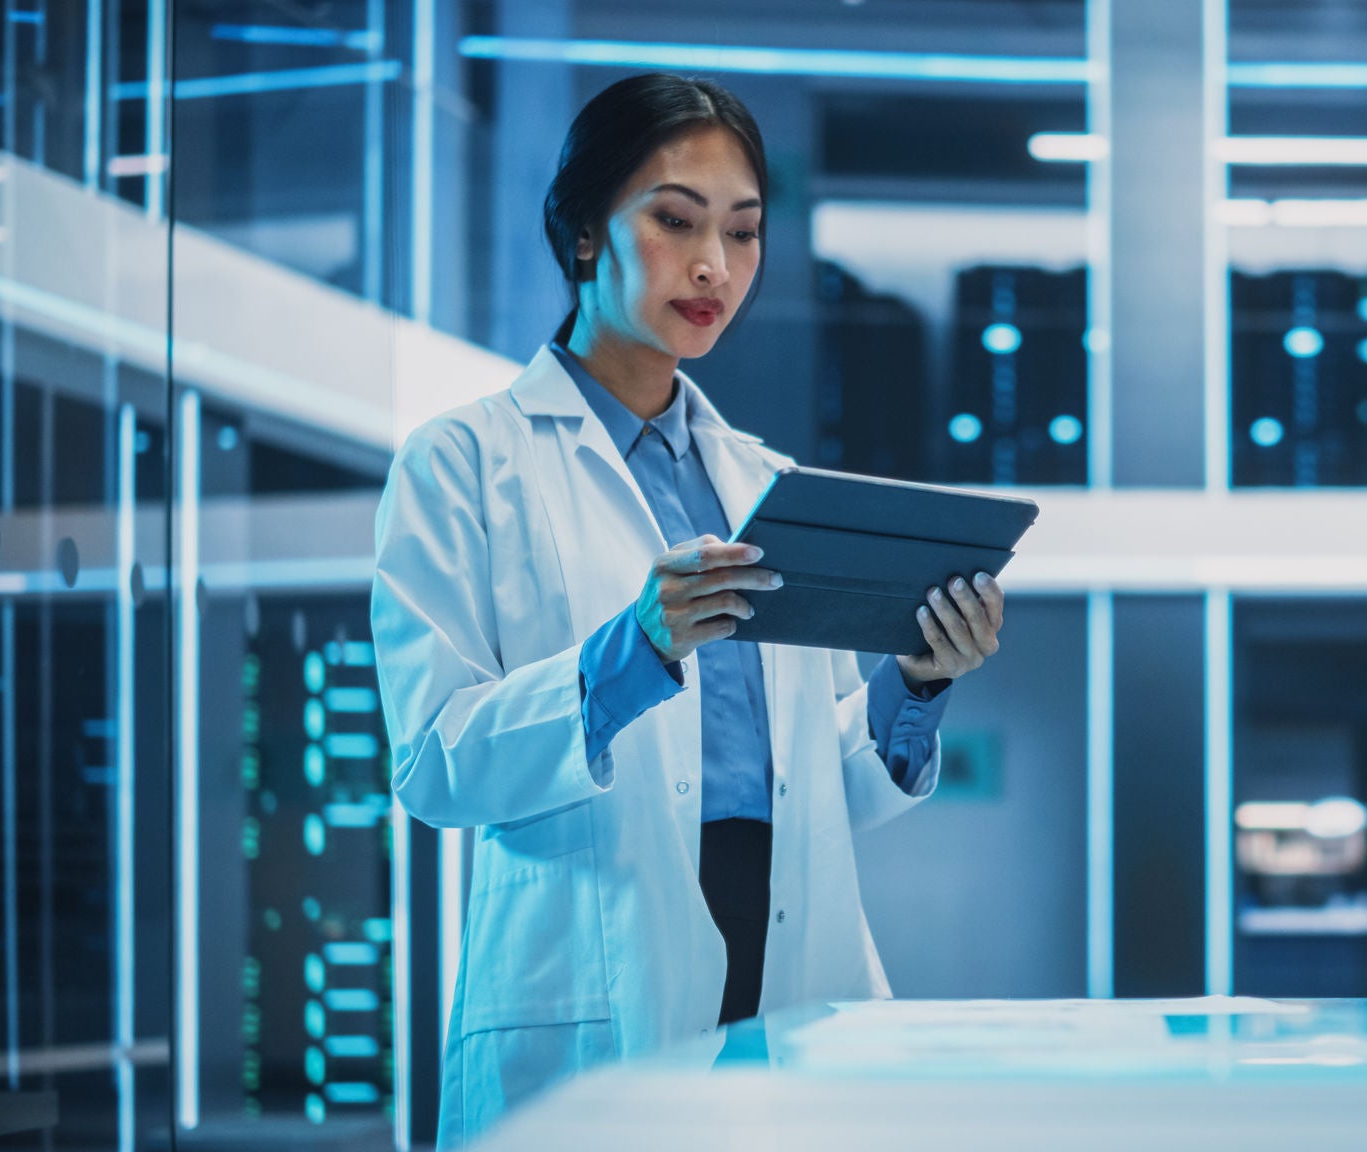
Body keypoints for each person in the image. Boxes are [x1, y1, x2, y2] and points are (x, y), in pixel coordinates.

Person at [371, 74, 1006, 1145]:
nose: (714, 265)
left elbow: (819, 786)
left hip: (790, 972)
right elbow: (435, 766)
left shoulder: (764, 481)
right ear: (582, 234)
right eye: (675, 221)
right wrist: (635, 650)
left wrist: (919, 680)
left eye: (744, 232)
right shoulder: (462, 465)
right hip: (589, 991)